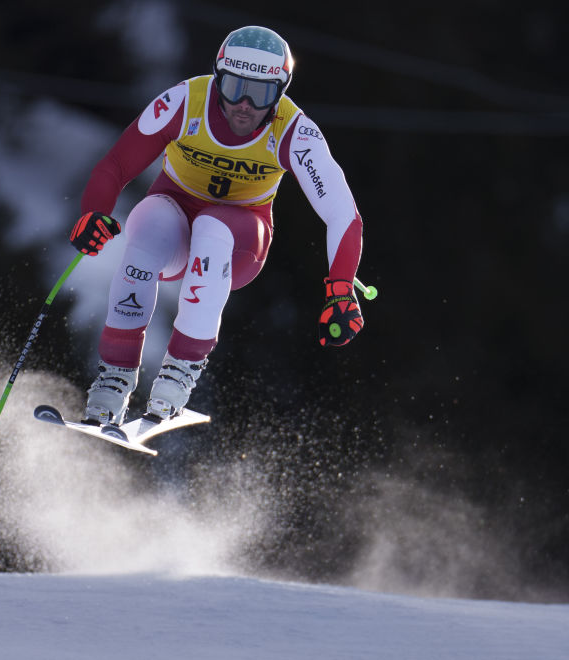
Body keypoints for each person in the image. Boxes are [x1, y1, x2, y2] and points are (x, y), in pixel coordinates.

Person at [69, 25, 365, 425]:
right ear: (217, 78)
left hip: (238, 243)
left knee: (212, 227)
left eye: (260, 94)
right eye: (233, 87)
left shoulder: (294, 130)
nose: (244, 104)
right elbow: (117, 164)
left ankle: (179, 373)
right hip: (173, 228)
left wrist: (341, 288)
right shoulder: (185, 100)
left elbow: (342, 214)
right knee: (146, 219)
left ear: (279, 93)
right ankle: (114, 378)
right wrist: (94, 212)